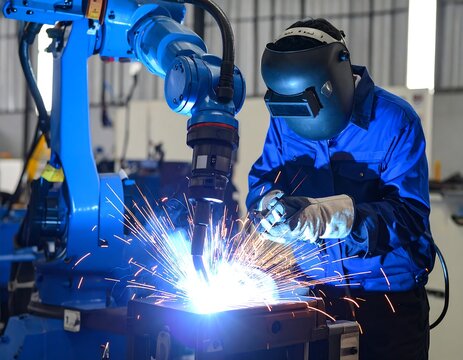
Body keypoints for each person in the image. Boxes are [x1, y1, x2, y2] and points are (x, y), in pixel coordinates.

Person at [247, 18, 435, 360]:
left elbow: (410, 217)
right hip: (314, 300)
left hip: (386, 308)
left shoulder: (394, 121)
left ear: (337, 75)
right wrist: (267, 204)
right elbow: (265, 178)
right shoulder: (284, 118)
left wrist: (333, 219)